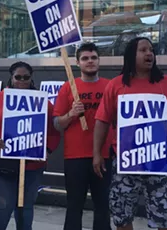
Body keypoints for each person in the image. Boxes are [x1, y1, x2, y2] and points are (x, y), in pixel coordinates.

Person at [93, 37, 167, 230]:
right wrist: (97, 154)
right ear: (130, 56)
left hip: (157, 162)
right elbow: (102, 120)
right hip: (125, 162)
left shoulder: (166, 83)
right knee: (122, 215)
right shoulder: (116, 85)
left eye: (151, 50)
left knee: (166, 216)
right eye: (143, 50)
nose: (149, 53)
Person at [0, 61, 61, 230]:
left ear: (31, 79)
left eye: (26, 77)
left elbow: (55, 130)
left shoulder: (43, 101)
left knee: (25, 209)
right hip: (1, 165)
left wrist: (47, 149)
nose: (22, 80)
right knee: (1, 209)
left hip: (32, 168)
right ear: (11, 78)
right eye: (18, 77)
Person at [53, 43, 112, 230]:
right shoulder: (67, 88)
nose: (90, 61)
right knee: (74, 206)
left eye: (93, 57)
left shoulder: (110, 87)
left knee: (103, 205)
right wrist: (71, 114)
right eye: (85, 58)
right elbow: (56, 124)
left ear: (99, 61)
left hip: (104, 155)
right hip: (75, 157)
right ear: (78, 63)